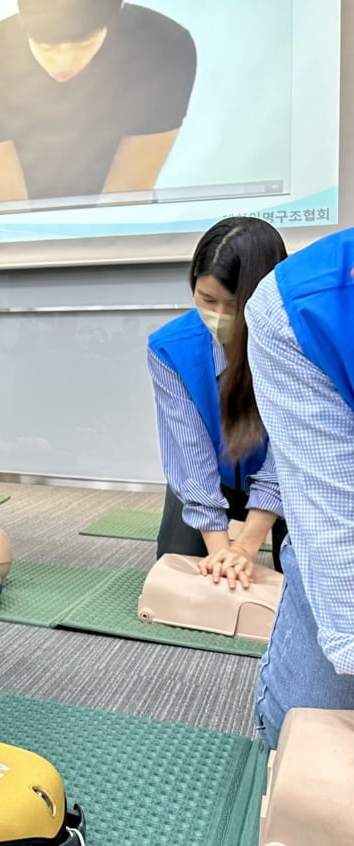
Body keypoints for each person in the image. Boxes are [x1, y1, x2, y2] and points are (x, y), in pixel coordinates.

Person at [245, 226, 354, 748]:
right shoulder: (297, 311)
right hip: (307, 485)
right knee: (299, 734)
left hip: (272, 484)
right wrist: (234, 544)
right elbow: (313, 483)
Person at [148, 217, 288, 587]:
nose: (221, 317)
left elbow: (289, 450)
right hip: (212, 479)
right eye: (208, 300)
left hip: (291, 477)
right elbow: (189, 450)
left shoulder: (297, 343)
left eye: (235, 304)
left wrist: (246, 546)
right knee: (182, 572)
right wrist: (219, 551)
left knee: (309, 586)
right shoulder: (170, 347)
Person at [0, 0, 196, 203]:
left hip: (123, 220)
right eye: (45, 47)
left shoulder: (163, 48)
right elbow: (5, 204)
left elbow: (128, 194)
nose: (63, 65)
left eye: (83, 44)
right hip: (13, 225)